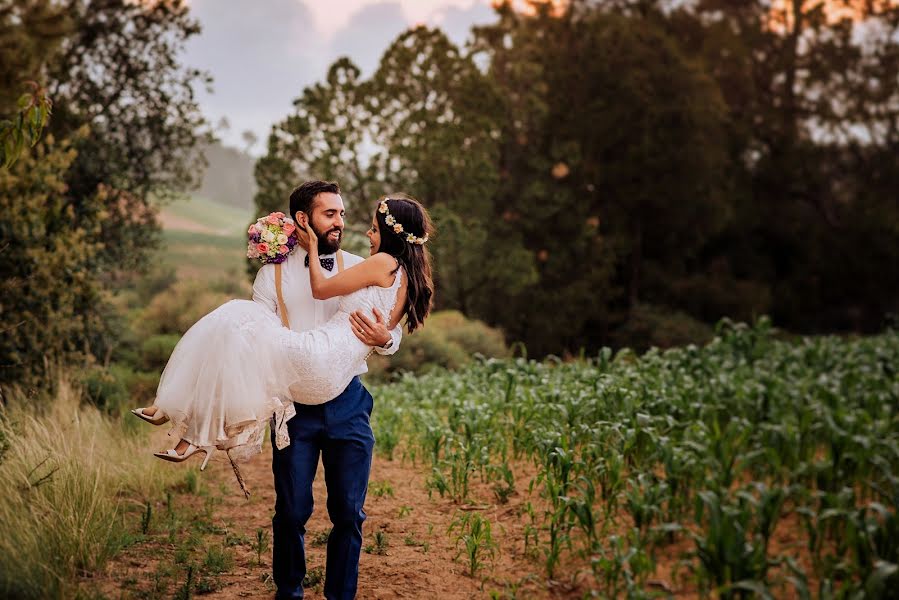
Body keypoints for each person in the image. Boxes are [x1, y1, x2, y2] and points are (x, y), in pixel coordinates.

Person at [132, 181, 434, 599]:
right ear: (302, 220)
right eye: (332, 214)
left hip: (346, 399)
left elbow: (387, 325)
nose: (341, 223)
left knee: (349, 512)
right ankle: (289, 592)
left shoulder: (357, 262)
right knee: (291, 511)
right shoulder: (269, 275)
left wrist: (386, 339)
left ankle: (340, 595)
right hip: (295, 405)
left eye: (343, 214)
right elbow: (261, 333)